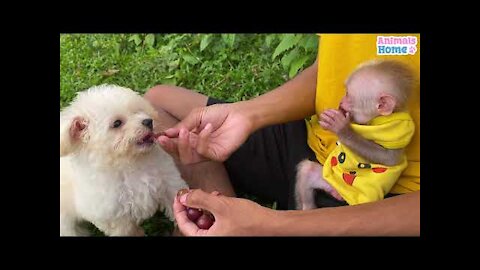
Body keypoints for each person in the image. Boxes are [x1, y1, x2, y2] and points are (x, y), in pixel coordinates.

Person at [144, 33, 420, 236]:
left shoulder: (395, 130)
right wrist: (249, 114)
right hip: (317, 146)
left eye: (350, 97)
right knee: (157, 103)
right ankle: (224, 210)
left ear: (383, 105)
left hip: (372, 193)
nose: (341, 101)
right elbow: (326, 71)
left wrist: (270, 225)